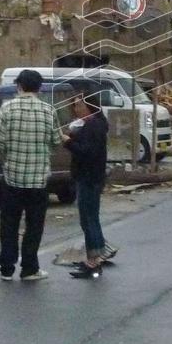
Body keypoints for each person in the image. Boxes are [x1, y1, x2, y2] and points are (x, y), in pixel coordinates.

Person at [0, 69, 58, 282]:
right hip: (38, 180)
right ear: (39, 88)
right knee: (34, 225)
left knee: (9, 223)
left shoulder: (7, 108)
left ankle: (6, 267)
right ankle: (29, 268)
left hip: (12, 178)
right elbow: (56, 141)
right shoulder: (48, 111)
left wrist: (2, 161)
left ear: (18, 86)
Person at [64, 93, 110, 279]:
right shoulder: (94, 125)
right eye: (75, 106)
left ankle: (93, 260)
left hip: (89, 177)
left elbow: (87, 152)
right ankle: (96, 256)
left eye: (80, 106)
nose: (77, 110)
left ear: (90, 107)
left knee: (88, 218)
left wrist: (67, 142)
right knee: (92, 217)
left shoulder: (93, 126)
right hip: (92, 176)